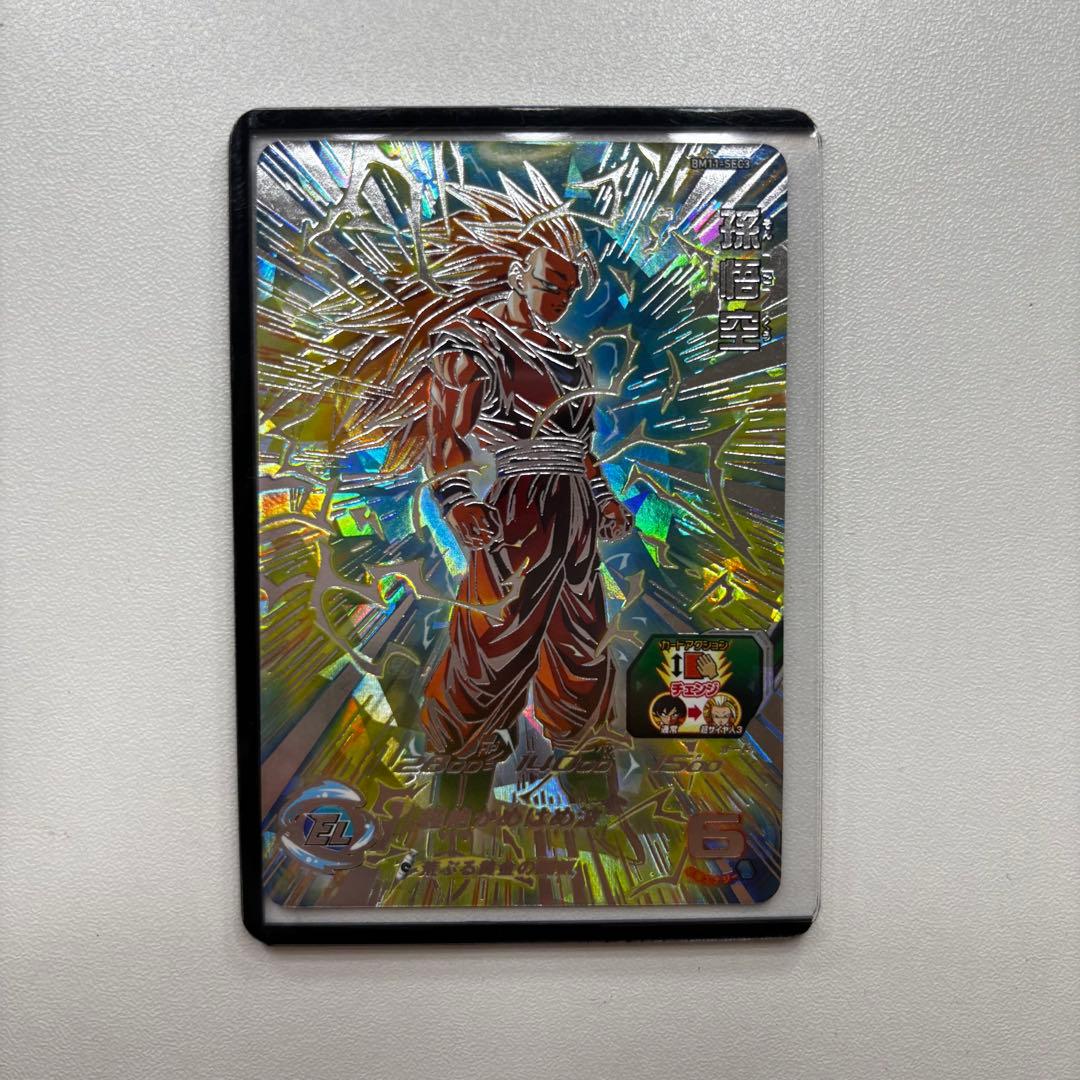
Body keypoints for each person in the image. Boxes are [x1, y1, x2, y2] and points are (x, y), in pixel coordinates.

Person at [420, 242, 633, 765]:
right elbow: (445, 432)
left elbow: (580, 446)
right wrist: (457, 498)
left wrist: (603, 498)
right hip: (519, 503)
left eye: (569, 291)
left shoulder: (569, 355)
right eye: (550, 285)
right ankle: (458, 743)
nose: (561, 300)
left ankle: (581, 738)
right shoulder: (474, 340)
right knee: (497, 626)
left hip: (575, 507)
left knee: (581, 630)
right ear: (518, 275)